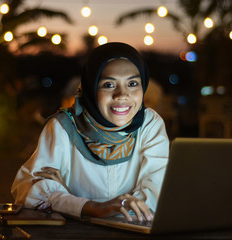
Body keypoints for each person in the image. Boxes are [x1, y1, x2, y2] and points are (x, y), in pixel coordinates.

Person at [11, 42, 169, 222]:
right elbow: (31, 192)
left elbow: (158, 191)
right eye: (109, 84)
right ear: (91, 87)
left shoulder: (150, 124)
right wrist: (93, 208)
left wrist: (71, 200)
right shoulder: (63, 127)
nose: (122, 95)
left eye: (132, 83)